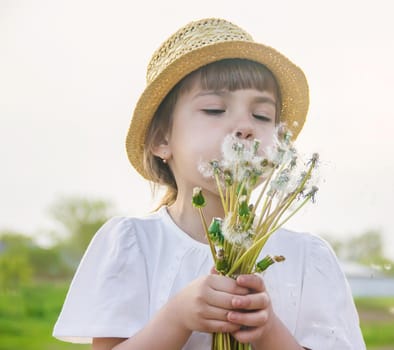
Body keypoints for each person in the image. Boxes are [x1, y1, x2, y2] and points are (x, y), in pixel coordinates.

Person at [53, 18, 366, 350]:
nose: (245, 127)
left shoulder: (306, 257)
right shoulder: (133, 245)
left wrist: (267, 329)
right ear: (161, 139)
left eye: (262, 116)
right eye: (215, 109)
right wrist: (177, 317)